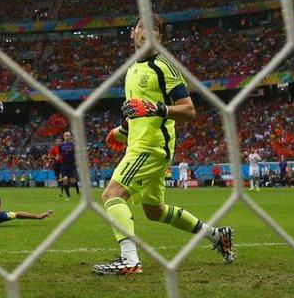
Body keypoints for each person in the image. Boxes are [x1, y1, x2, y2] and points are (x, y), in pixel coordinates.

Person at [94, 15, 235, 275]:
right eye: (140, 26)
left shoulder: (164, 67)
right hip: (141, 144)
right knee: (154, 211)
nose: (146, 31)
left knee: (112, 195)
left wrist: (157, 108)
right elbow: (138, 111)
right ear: (132, 33)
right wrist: (121, 130)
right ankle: (216, 235)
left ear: (160, 38)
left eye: (154, 29)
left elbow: (189, 110)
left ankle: (129, 260)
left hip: (151, 146)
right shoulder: (132, 70)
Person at [59, 131, 80, 200]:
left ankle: (77, 190)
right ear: (64, 137)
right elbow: (60, 154)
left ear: (70, 137)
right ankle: (68, 196)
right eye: (66, 135)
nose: (67, 137)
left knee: (72, 180)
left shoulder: (73, 145)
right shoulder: (61, 145)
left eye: (68, 135)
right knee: (65, 180)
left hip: (72, 165)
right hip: (64, 165)